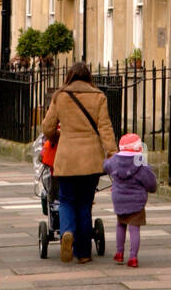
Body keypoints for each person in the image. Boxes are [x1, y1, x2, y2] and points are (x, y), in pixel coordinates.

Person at [40, 62, 116, 263]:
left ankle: (66, 233)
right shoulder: (98, 96)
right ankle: (82, 253)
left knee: (66, 200)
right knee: (84, 204)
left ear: (69, 76)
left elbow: (47, 127)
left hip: (66, 159)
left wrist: (57, 136)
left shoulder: (60, 96)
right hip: (90, 160)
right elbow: (105, 128)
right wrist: (112, 154)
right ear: (88, 77)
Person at [102, 133, 157, 267]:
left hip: (119, 199)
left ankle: (119, 253)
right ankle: (133, 257)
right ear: (139, 148)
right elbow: (151, 184)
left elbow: (105, 166)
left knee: (120, 225)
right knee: (134, 229)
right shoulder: (141, 164)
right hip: (136, 201)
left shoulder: (114, 161)